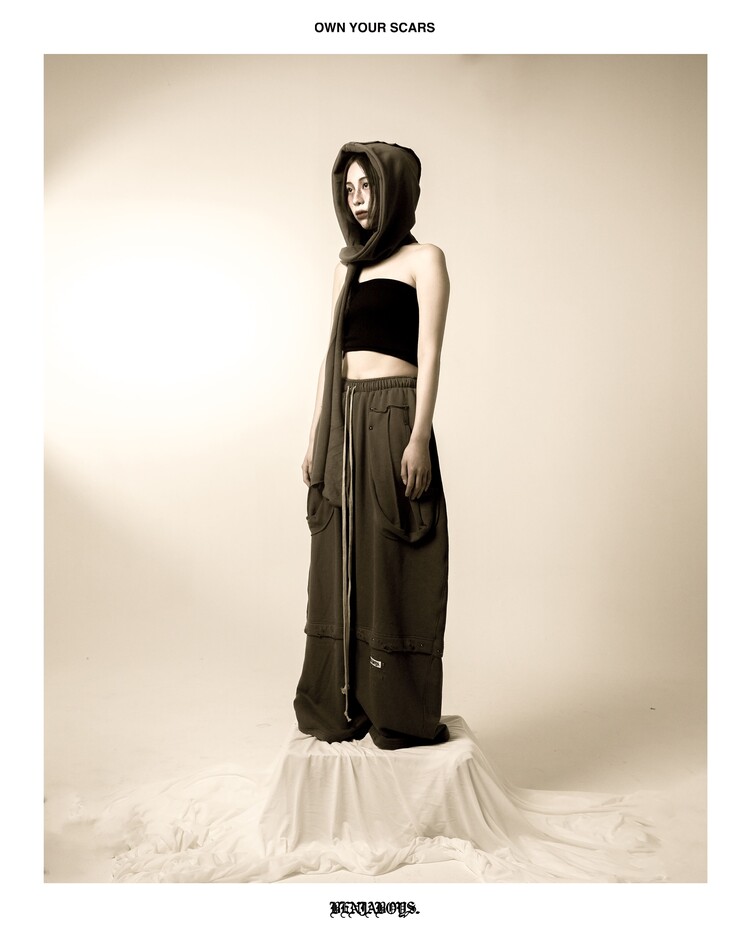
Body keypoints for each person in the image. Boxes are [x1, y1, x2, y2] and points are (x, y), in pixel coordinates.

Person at [293, 141, 451, 750]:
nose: (358, 201)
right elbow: (330, 358)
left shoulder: (424, 260)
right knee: (340, 553)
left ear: (396, 190)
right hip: (345, 416)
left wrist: (418, 436)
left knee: (393, 551)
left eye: (369, 187)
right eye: (350, 189)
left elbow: (431, 353)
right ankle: (341, 703)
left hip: (394, 412)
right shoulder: (347, 268)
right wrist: (317, 435)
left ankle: (398, 711)